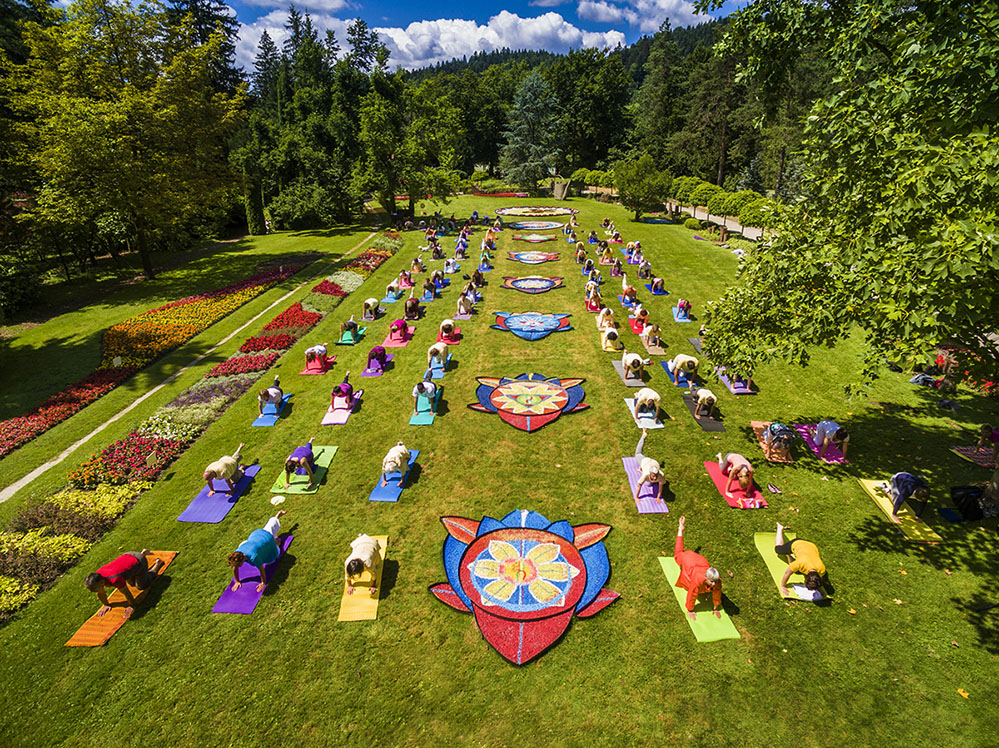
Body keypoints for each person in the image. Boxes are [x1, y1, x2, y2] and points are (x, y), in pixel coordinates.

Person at [85, 551, 165, 618]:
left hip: (139, 561)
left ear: (101, 583)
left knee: (141, 586)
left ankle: (157, 564)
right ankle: (142, 553)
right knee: (132, 583)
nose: (93, 591)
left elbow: (126, 592)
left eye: (95, 589)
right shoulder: (97, 576)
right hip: (127, 555)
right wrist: (106, 604)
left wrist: (132, 605)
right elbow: (100, 592)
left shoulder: (114, 579)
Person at [673, 516, 722, 621]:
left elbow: (717, 592)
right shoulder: (698, 578)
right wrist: (690, 610)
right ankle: (680, 530)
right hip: (689, 562)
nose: (714, 584)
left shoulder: (717, 580)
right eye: (712, 581)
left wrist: (716, 607)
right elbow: (692, 594)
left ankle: (680, 530)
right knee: (677, 555)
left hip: (700, 561)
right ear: (706, 577)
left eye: (715, 581)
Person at [228, 511, 287, 593]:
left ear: (242, 560)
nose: (237, 567)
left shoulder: (253, 558)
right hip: (257, 534)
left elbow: (262, 570)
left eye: (238, 565)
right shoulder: (236, 553)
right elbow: (234, 567)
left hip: (267, 539)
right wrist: (237, 581)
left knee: (273, 558)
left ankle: (276, 543)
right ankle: (277, 515)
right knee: (269, 526)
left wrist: (263, 582)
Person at [775, 522, 832, 597]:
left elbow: (817, 579)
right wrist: (783, 586)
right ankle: (780, 528)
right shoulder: (800, 563)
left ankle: (788, 554)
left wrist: (819, 589)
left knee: (797, 571)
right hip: (797, 543)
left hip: (811, 545)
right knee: (778, 550)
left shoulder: (822, 570)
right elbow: (787, 573)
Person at [635, 428, 667, 497]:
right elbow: (639, 486)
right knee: (637, 453)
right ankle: (643, 436)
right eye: (653, 476)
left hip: (654, 463)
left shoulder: (661, 475)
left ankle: (641, 469)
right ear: (650, 474)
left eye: (655, 476)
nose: (655, 478)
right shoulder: (646, 474)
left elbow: (661, 486)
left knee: (648, 484)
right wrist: (636, 497)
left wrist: (658, 497)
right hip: (645, 461)